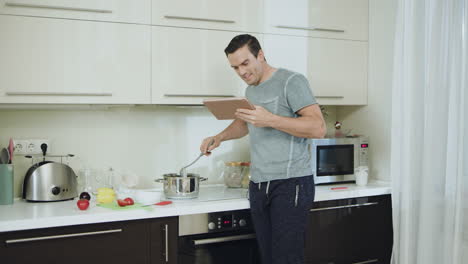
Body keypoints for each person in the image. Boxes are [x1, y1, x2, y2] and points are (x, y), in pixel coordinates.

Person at [200, 34, 326, 264]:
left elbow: (318, 127)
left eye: (245, 63)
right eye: (235, 67)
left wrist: (270, 119)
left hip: (291, 183)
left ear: (260, 54)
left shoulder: (292, 81)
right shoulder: (251, 91)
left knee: (286, 259)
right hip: (259, 184)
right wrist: (219, 137)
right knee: (267, 258)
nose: (241, 72)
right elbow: (244, 124)